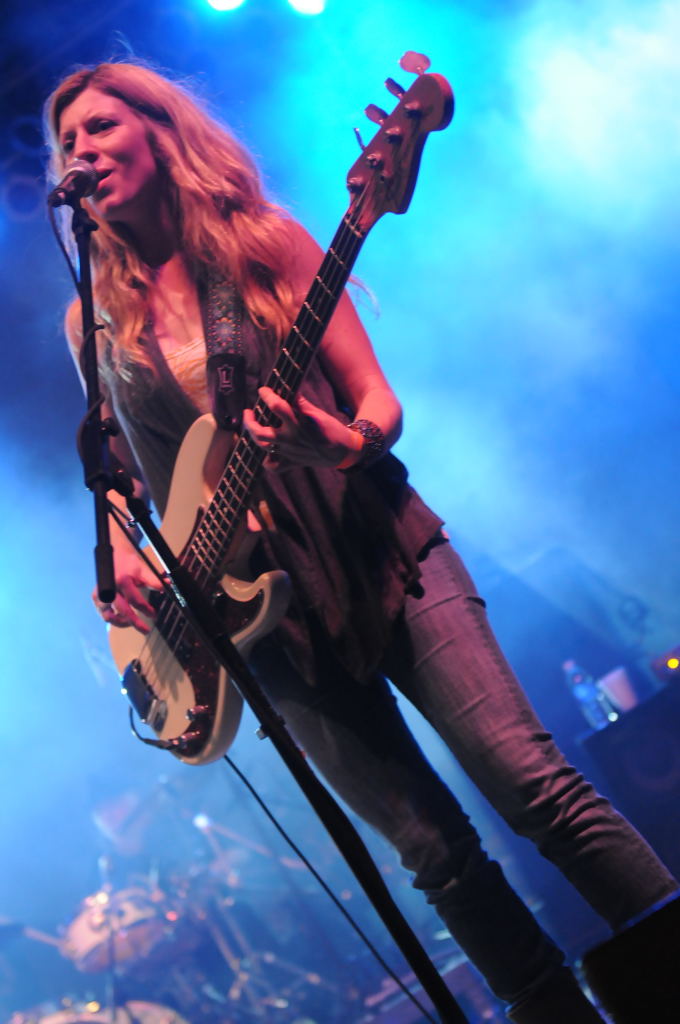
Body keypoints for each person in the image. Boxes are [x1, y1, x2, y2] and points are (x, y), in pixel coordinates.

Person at [44, 61, 678, 1023]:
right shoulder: (93, 323)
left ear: (159, 132)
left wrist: (337, 442)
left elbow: (377, 401)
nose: (81, 151)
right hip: (268, 624)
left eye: (100, 127)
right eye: (67, 142)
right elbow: (127, 472)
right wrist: (127, 548)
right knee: (437, 858)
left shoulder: (263, 243)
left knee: (530, 783)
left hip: (374, 545)